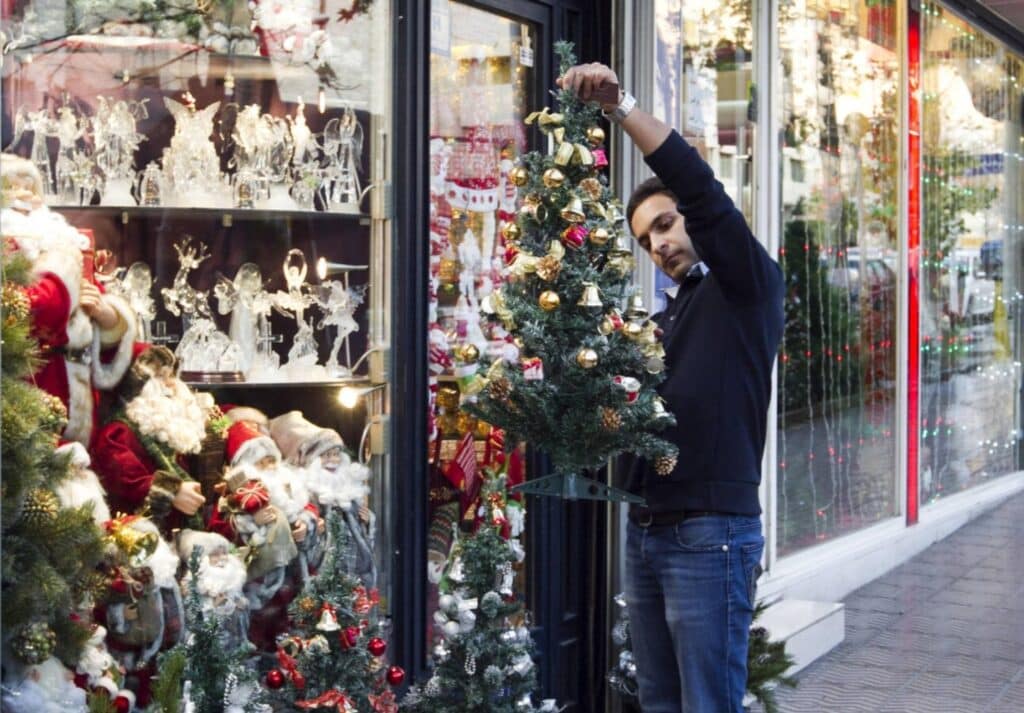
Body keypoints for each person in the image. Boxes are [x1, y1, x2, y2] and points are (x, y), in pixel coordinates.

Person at [558, 63, 784, 712]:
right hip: (649, 531)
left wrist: (622, 107)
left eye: (663, 224)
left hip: (710, 534)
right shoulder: (663, 320)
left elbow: (701, 186)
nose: (656, 244)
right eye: (644, 239)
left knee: (706, 703)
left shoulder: (746, 288)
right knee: (659, 700)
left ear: (691, 218)